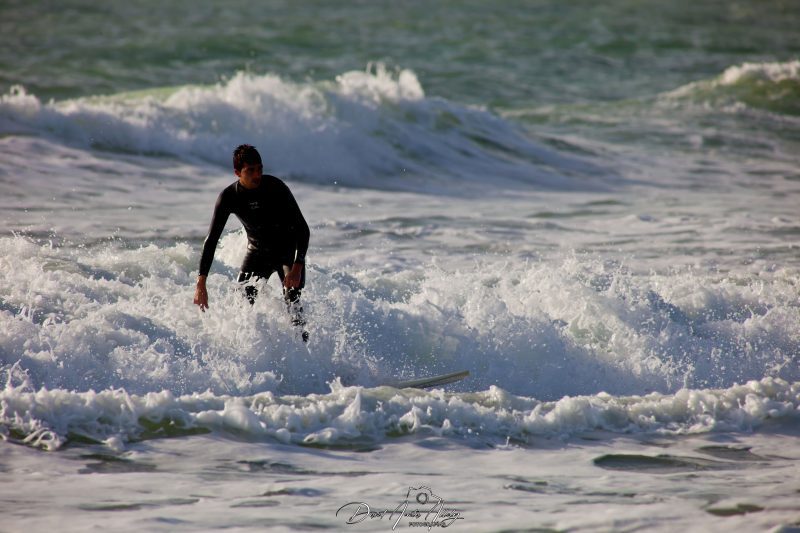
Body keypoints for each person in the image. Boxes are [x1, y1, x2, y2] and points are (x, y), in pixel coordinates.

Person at [193, 144, 310, 341]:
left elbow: (303, 229)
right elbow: (211, 239)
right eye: (251, 170)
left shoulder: (275, 187)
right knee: (241, 308)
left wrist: (298, 265)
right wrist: (201, 283)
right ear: (237, 172)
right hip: (257, 253)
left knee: (294, 305)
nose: (257, 174)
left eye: (260, 169)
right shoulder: (229, 197)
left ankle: (305, 354)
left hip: (287, 253)